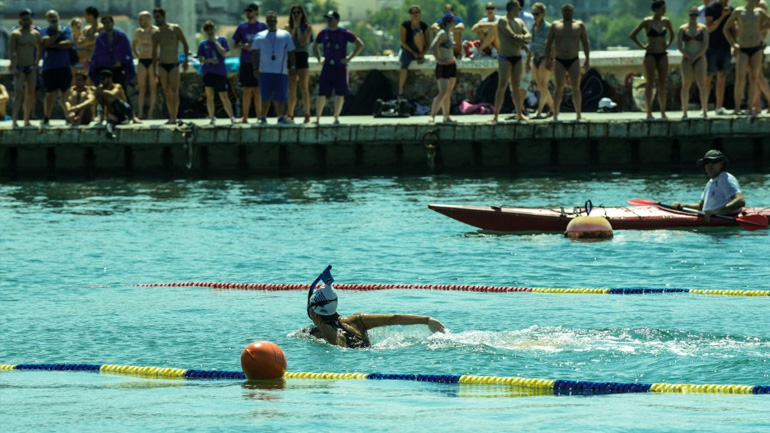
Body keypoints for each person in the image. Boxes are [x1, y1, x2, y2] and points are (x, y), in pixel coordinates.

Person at [304, 267, 447, 349]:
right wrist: (427, 320)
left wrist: (321, 326)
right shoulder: (357, 320)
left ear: (314, 311)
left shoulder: (321, 332)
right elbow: (392, 318)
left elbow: (340, 345)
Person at [313, 10, 365, 125]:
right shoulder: (324, 32)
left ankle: (336, 117)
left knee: (340, 93)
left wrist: (349, 58)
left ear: (336, 20)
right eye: (327, 19)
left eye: (331, 19)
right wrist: (319, 58)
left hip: (340, 66)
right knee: (322, 93)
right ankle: (317, 118)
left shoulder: (344, 32)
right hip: (327, 66)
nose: (328, 21)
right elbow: (315, 45)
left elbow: (360, 44)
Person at [629, 1, 675, 120]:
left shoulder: (666, 21)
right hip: (650, 54)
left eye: (664, 8)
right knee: (649, 82)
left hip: (662, 54)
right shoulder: (647, 22)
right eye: (662, 8)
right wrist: (643, 46)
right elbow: (633, 35)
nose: (664, 10)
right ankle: (648, 112)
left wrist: (668, 44)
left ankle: (662, 111)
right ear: (656, 9)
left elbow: (672, 34)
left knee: (662, 83)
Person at [545, 4, 590, 122]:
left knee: (576, 87)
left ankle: (578, 114)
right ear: (561, 12)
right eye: (565, 10)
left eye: (569, 10)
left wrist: (587, 59)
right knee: (559, 87)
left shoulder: (579, 25)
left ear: (573, 12)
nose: (567, 12)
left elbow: (585, 42)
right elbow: (548, 43)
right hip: (559, 59)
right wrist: (547, 59)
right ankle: (555, 114)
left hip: (574, 59)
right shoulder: (555, 25)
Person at [723, 0, 770, 116]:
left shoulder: (760, 12)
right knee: (740, 77)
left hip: (756, 47)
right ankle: (737, 107)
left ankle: (751, 108)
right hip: (743, 48)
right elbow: (725, 29)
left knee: (754, 78)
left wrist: (760, 30)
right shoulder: (739, 12)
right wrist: (733, 44)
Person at [671, 150, 745, 221]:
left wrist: (716, 212)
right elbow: (701, 207)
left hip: (725, 219)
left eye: (713, 162)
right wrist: (683, 206)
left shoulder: (725, 178)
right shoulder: (710, 182)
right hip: (710, 217)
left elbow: (740, 201)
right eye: (706, 162)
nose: (709, 165)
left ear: (722, 164)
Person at [253, 11, 296, 124]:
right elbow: (255, 54)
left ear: (276, 21)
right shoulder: (259, 35)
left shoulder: (285, 35)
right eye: (269, 20)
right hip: (265, 71)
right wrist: (255, 68)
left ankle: (281, 116)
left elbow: (291, 52)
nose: (271, 22)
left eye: (273, 20)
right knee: (265, 96)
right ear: (266, 22)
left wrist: (293, 66)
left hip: (280, 71)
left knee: (280, 96)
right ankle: (263, 116)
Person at [491, 1, 531, 122]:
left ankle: (519, 114)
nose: (519, 10)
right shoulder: (503, 21)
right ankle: (496, 115)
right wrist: (523, 44)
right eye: (518, 8)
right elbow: (510, 35)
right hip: (505, 57)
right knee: (502, 85)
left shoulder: (520, 21)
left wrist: (523, 39)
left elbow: (528, 35)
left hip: (517, 57)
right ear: (513, 8)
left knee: (516, 86)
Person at [152, 7, 190, 125]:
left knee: (175, 91)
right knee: (167, 91)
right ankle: (171, 116)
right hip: (162, 64)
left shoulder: (175, 29)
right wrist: (154, 70)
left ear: (163, 16)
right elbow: (154, 53)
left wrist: (186, 61)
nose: (156, 19)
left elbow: (185, 45)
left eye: (158, 17)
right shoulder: (156, 34)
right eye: (155, 17)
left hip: (174, 63)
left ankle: (174, 116)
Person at [233, 2, 268, 124]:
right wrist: (244, 45)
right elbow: (235, 46)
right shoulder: (241, 27)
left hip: (259, 63)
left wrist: (257, 46)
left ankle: (259, 117)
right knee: (247, 90)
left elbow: (269, 43)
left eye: (250, 11)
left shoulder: (263, 27)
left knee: (258, 90)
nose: (248, 13)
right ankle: (245, 117)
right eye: (246, 11)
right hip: (246, 62)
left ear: (256, 12)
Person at [198, 20, 237, 125]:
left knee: (224, 95)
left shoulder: (222, 40)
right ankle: (212, 116)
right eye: (207, 29)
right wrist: (209, 61)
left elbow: (224, 53)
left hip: (219, 72)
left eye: (211, 29)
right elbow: (201, 59)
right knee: (209, 96)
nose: (210, 31)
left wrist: (215, 42)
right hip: (208, 72)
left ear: (214, 29)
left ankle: (232, 117)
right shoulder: (203, 44)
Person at [8, 9, 41, 128]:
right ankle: (15, 120)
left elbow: (39, 47)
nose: (26, 21)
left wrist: (37, 62)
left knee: (30, 93)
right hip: (20, 67)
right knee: (18, 93)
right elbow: (11, 51)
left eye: (28, 19)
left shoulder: (35, 34)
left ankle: (26, 119)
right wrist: (14, 67)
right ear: (20, 21)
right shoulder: (15, 34)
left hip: (31, 67)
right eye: (24, 19)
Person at [41, 10, 74, 127]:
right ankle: (46, 117)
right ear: (47, 19)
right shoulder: (44, 30)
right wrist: (58, 35)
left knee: (64, 94)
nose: (53, 18)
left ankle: (68, 116)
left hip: (64, 66)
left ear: (58, 16)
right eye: (50, 17)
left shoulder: (67, 30)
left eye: (54, 16)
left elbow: (68, 43)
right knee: (49, 93)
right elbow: (46, 42)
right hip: (49, 67)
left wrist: (54, 45)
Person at [678, 7, 710, 119]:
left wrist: (696, 56)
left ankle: (705, 109)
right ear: (688, 15)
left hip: (699, 57)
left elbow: (705, 45)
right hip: (686, 57)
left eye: (695, 15)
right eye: (691, 15)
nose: (693, 17)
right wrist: (687, 55)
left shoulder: (703, 28)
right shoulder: (682, 29)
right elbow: (679, 46)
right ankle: (684, 111)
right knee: (686, 84)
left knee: (702, 84)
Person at [89, 16, 136, 91]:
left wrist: (124, 63)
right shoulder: (100, 38)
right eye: (104, 23)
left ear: (112, 23)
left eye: (108, 22)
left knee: (121, 91)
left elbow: (127, 51)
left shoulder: (121, 36)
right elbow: (97, 54)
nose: (106, 24)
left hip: (118, 69)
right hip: (105, 69)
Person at [705, 0, 734, 115]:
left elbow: (733, 29)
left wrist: (734, 44)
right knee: (708, 77)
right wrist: (723, 16)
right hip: (712, 47)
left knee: (722, 77)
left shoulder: (732, 9)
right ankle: (705, 107)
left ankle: (719, 106)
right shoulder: (711, 8)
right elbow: (710, 28)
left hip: (725, 47)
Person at [428, 13, 459, 123]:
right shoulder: (442, 33)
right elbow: (434, 46)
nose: (455, 23)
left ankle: (446, 116)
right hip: (443, 65)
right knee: (443, 91)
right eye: (453, 21)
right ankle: (433, 115)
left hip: (451, 64)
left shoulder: (449, 33)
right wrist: (438, 59)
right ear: (448, 23)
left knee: (448, 92)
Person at [286, 4, 314, 123]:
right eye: (294, 13)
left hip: (302, 56)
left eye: (298, 12)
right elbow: (289, 42)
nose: (296, 15)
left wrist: (298, 28)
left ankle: (307, 113)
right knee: (291, 87)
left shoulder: (307, 27)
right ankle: (290, 113)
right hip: (291, 56)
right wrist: (294, 28)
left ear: (302, 14)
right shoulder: (287, 27)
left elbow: (303, 41)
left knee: (304, 86)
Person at [96, 69, 139, 139]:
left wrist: (101, 91)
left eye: (103, 79)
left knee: (112, 98)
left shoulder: (117, 86)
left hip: (124, 111)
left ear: (110, 78)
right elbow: (101, 103)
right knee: (110, 122)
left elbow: (113, 94)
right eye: (100, 79)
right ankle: (109, 132)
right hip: (114, 113)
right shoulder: (101, 89)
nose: (101, 81)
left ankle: (128, 118)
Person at [528, 2, 553, 118]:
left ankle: (539, 111)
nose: (534, 16)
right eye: (533, 14)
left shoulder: (548, 27)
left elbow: (553, 45)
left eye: (537, 14)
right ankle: (554, 109)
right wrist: (529, 59)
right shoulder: (533, 27)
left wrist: (550, 60)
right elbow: (531, 44)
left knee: (543, 84)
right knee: (540, 86)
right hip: (535, 58)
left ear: (542, 14)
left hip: (544, 57)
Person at [132, 11, 159, 119]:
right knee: (142, 87)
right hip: (142, 59)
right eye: (139, 19)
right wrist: (138, 54)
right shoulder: (138, 32)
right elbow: (134, 45)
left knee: (152, 88)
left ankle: (150, 113)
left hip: (153, 60)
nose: (140, 21)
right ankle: (140, 112)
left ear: (148, 19)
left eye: (141, 19)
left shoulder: (156, 31)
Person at [398, 5, 429, 98]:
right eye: (412, 12)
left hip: (420, 49)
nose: (415, 14)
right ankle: (400, 91)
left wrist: (422, 53)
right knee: (404, 65)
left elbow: (428, 43)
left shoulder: (424, 26)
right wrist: (412, 52)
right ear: (409, 14)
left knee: (418, 33)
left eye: (417, 12)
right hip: (408, 48)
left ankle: (420, 56)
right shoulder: (405, 25)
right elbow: (403, 42)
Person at [79, 6, 103, 79]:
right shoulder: (86, 29)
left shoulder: (101, 28)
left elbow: (95, 40)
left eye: (86, 15)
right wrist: (90, 40)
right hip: (87, 59)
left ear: (90, 16)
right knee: (86, 80)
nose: (84, 17)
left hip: (98, 59)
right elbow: (80, 43)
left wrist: (87, 41)